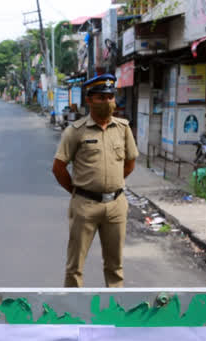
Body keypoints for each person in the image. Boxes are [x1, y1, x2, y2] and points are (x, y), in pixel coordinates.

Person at [51, 73, 139, 288]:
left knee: (115, 266)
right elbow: (59, 168)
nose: (107, 102)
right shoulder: (75, 131)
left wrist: (112, 183)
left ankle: (115, 312)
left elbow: (129, 162)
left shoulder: (123, 128)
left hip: (116, 205)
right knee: (75, 267)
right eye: (101, 98)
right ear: (89, 100)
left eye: (110, 97)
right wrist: (79, 190)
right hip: (84, 206)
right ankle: (72, 313)